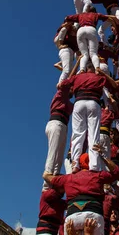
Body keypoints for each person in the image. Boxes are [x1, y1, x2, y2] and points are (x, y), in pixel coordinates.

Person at [43, 153, 119, 235]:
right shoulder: (98, 175)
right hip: (93, 215)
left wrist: (49, 174)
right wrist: (104, 157)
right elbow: (116, 173)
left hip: (72, 217)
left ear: (79, 164)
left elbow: (46, 177)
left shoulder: (68, 178)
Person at [59, 64, 117, 171]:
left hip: (79, 102)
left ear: (85, 69)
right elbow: (113, 86)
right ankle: (94, 165)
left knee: (77, 134)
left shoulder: (78, 76)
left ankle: (75, 164)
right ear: (94, 70)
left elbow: (62, 85)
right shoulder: (99, 77)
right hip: (94, 102)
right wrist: (103, 74)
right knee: (93, 134)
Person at [43, 60, 80, 191]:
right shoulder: (60, 94)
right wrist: (79, 61)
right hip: (56, 123)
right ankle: (47, 179)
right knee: (53, 152)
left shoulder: (70, 103)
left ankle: (54, 179)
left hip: (62, 125)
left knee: (59, 154)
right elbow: (69, 79)